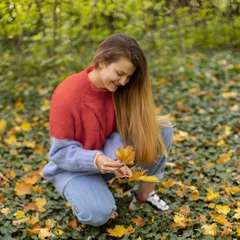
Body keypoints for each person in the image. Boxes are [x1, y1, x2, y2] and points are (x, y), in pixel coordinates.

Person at [42, 33, 173, 227]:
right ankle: (84, 190)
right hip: (71, 167)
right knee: (98, 214)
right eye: (120, 74)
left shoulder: (120, 90)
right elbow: (60, 153)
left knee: (162, 129)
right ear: (101, 62)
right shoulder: (67, 94)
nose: (123, 82)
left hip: (105, 158)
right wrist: (95, 160)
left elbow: (121, 130)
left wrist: (117, 161)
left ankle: (144, 196)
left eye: (128, 77)